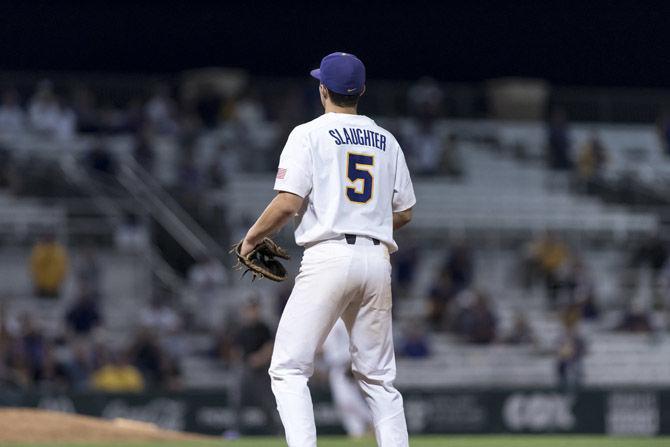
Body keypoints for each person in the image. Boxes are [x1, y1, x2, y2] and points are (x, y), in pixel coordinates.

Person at [240, 52, 415, 446]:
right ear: (362, 91)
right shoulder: (387, 141)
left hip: (328, 255)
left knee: (287, 369)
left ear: (323, 90)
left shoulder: (309, 134)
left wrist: (251, 239)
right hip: (377, 259)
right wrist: (367, 223)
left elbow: (288, 203)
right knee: (379, 379)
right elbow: (405, 212)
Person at [322, 318, 372, 438]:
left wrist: (353, 361)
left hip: (346, 365)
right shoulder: (328, 321)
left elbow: (356, 341)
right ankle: (357, 433)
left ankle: (372, 421)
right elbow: (327, 348)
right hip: (335, 367)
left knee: (347, 401)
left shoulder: (343, 320)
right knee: (343, 403)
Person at [30, 233, 68, 298]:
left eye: (50, 237)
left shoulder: (59, 250)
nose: (48, 239)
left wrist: (59, 281)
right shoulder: (38, 250)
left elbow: (63, 267)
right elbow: (33, 267)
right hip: (40, 286)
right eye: (46, 237)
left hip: (55, 287)